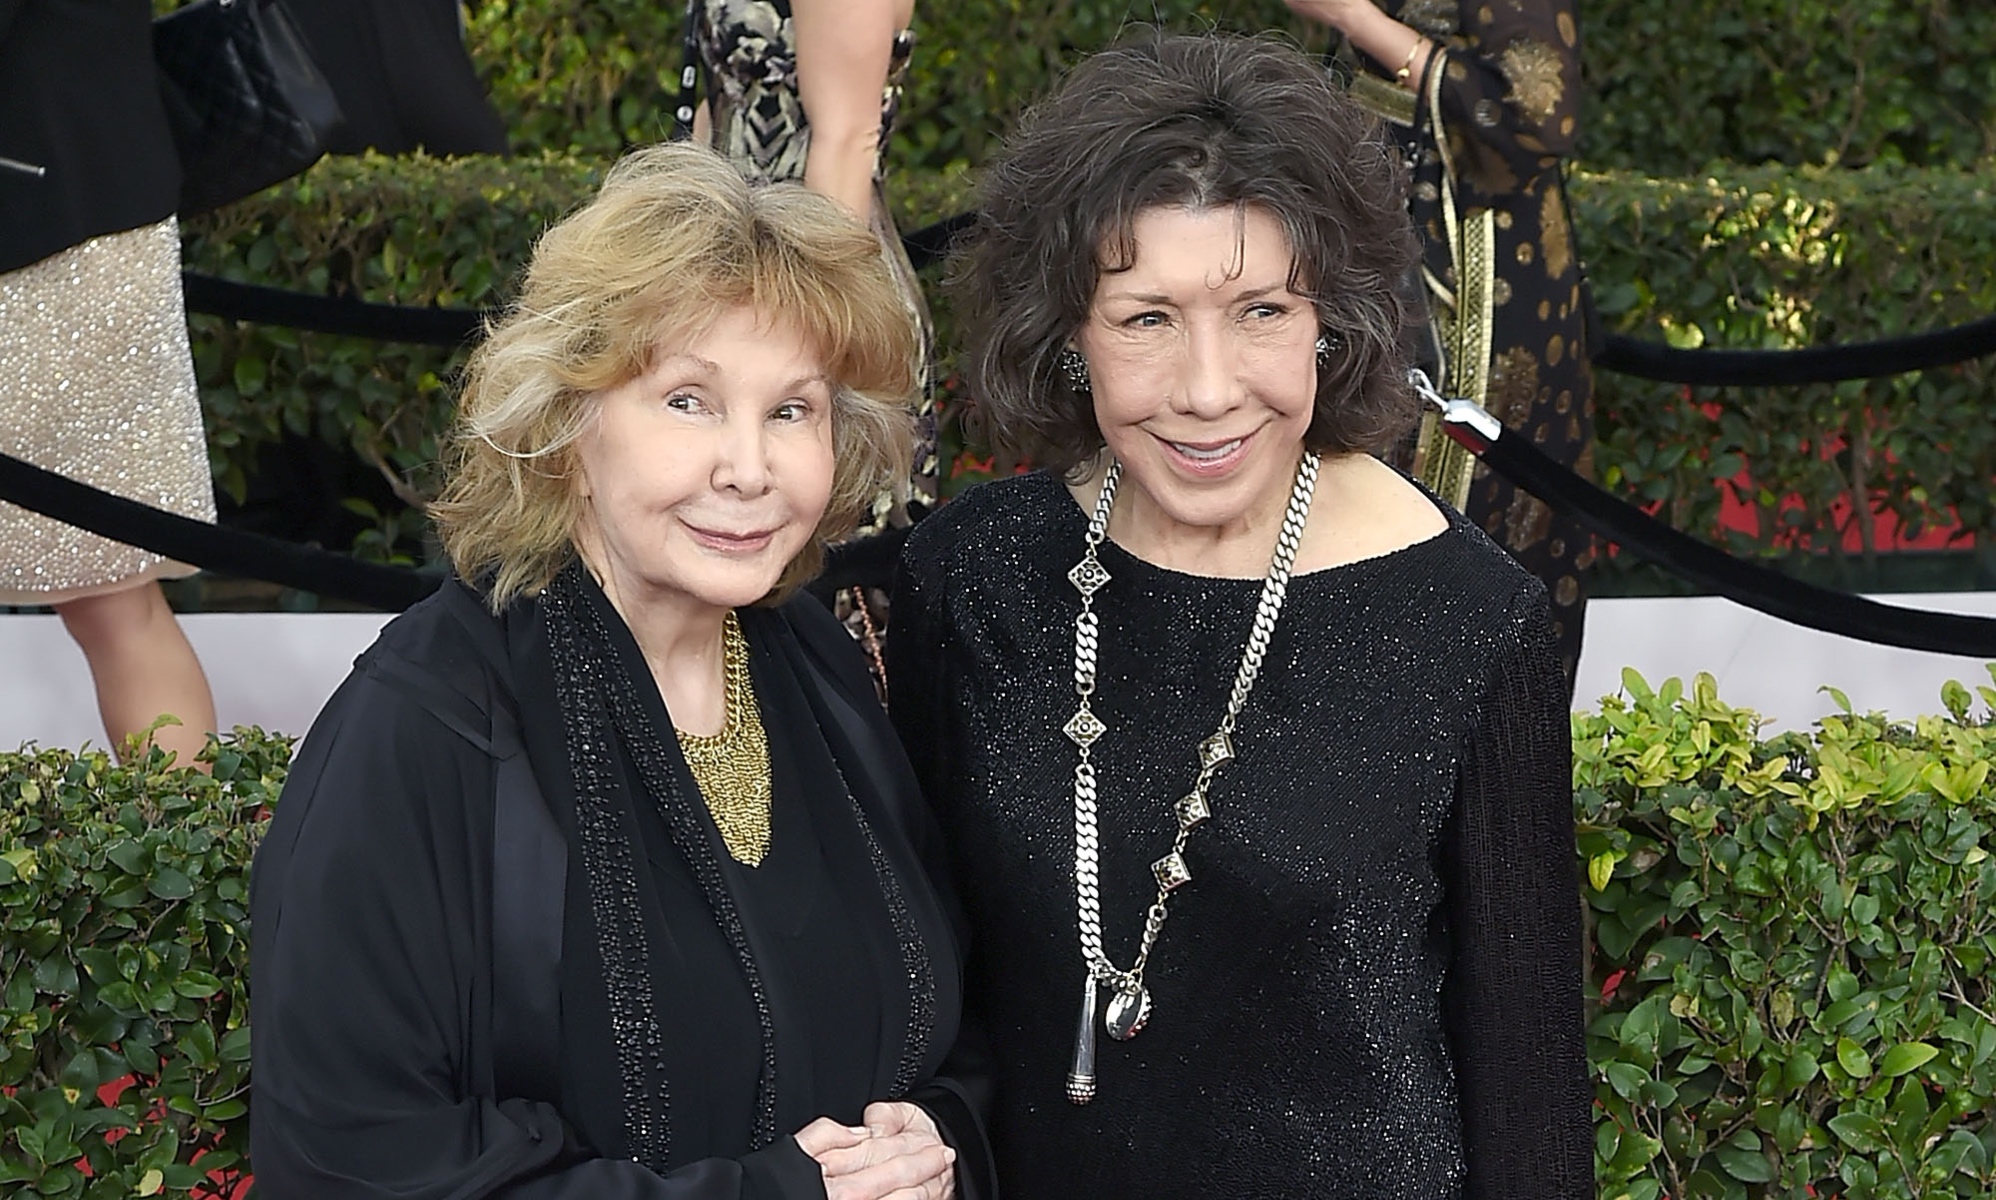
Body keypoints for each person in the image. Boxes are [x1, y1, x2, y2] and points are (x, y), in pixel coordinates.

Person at [889, 33, 1591, 1198]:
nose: (1209, 389)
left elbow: (1528, 1096)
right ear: (1069, 335)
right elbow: (916, 981)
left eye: (1261, 310)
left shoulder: (1468, 619)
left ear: (1332, 316)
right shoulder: (973, 573)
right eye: (1145, 319)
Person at [251, 141, 993, 1200]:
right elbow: (349, 1158)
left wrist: (928, 1139)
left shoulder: (816, 666)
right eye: (687, 401)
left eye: (792, 411)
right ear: (567, 422)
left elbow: (950, 1022)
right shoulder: (429, 723)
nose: (748, 468)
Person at [1284, 0, 1594, 685]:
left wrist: (1351, 16)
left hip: (1475, 276)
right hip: (1378, 235)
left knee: (1468, 533)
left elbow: (1536, 117)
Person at [0, 0, 217, 768]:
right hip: (87, 192)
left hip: (51, 233)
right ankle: (195, 872)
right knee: (116, 606)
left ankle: (194, 866)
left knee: (113, 602)